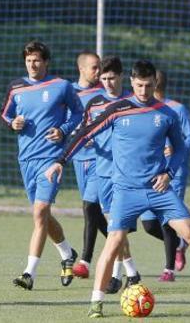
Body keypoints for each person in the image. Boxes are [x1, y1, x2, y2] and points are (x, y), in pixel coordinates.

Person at [46, 60, 190, 318]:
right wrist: (61, 161)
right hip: (125, 190)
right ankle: (96, 303)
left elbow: (179, 149)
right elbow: (84, 134)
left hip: (158, 188)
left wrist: (168, 173)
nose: (144, 90)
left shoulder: (167, 113)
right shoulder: (116, 110)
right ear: (132, 83)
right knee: (113, 243)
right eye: (139, 85)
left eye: (148, 85)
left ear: (155, 83)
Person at [0, 41, 82, 290]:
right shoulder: (16, 88)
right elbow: (6, 114)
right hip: (26, 159)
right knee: (43, 216)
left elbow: (79, 114)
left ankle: (29, 273)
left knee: (39, 213)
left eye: (36, 60)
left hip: (52, 159)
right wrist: (13, 123)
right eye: (28, 61)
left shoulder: (61, 86)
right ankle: (67, 254)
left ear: (46, 62)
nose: (32, 65)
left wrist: (63, 129)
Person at [82, 56, 140, 293]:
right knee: (112, 225)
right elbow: (85, 132)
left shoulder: (133, 101)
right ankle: (132, 273)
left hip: (128, 175)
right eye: (103, 78)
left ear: (121, 76)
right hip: (103, 173)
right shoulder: (94, 103)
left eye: (111, 78)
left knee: (118, 226)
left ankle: (118, 276)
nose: (107, 83)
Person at [140, 69, 190, 282]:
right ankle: (180, 243)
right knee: (149, 225)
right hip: (148, 173)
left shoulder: (177, 109)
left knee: (167, 220)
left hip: (174, 173)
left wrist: (177, 148)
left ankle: (168, 270)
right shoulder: (140, 109)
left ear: (155, 83)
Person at [69, 51, 107, 279]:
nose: (98, 71)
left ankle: (84, 260)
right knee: (94, 214)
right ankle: (124, 256)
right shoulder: (69, 93)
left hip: (98, 160)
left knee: (89, 206)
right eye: (94, 67)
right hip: (77, 159)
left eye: (99, 67)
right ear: (81, 69)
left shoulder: (104, 94)